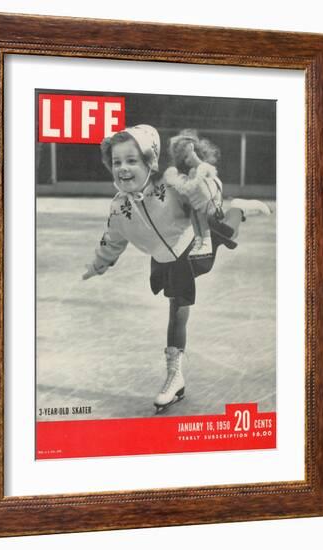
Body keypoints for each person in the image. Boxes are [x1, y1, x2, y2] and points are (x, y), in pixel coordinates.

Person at [82, 124, 271, 413]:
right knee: (177, 309)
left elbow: (208, 184)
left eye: (132, 160)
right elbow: (112, 239)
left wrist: (205, 191)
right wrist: (99, 263)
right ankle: (176, 375)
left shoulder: (170, 186)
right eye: (117, 162)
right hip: (164, 259)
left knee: (227, 233)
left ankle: (240, 208)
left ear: (150, 162)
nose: (123, 168)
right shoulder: (118, 208)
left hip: (194, 244)